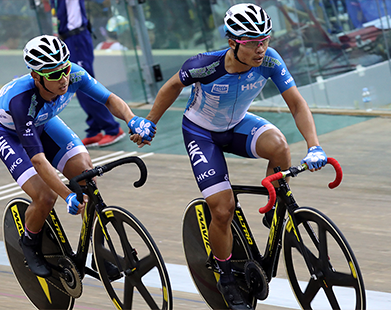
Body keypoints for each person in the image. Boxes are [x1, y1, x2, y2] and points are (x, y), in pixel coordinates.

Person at [131, 3, 327, 309]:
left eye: (265, 39)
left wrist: (314, 145)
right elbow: (171, 86)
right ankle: (223, 273)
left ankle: (274, 212)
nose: (261, 48)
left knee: (280, 147)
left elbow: (297, 104)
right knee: (222, 210)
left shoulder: (270, 61)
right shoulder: (206, 65)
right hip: (202, 133)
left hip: (237, 125)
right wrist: (149, 122)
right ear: (232, 41)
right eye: (252, 42)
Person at [0, 35, 155, 277]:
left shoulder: (74, 74)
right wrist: (67, 195)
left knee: (86, 176)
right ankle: (29, 243)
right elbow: (38, 160)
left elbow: (109, 99)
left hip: (43, 122)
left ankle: (98, 250)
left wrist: (132, 119)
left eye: (65, 69)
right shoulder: (21, 101)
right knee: (45, 196)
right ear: (36, 76)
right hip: (10, 133)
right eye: (54, 74)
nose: (64, 78)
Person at [54, 0, 125, 147]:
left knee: (82, 84)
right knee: (77, 86)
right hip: (69, 39)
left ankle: (112, 129)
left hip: (77, 38)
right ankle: (95, 130)